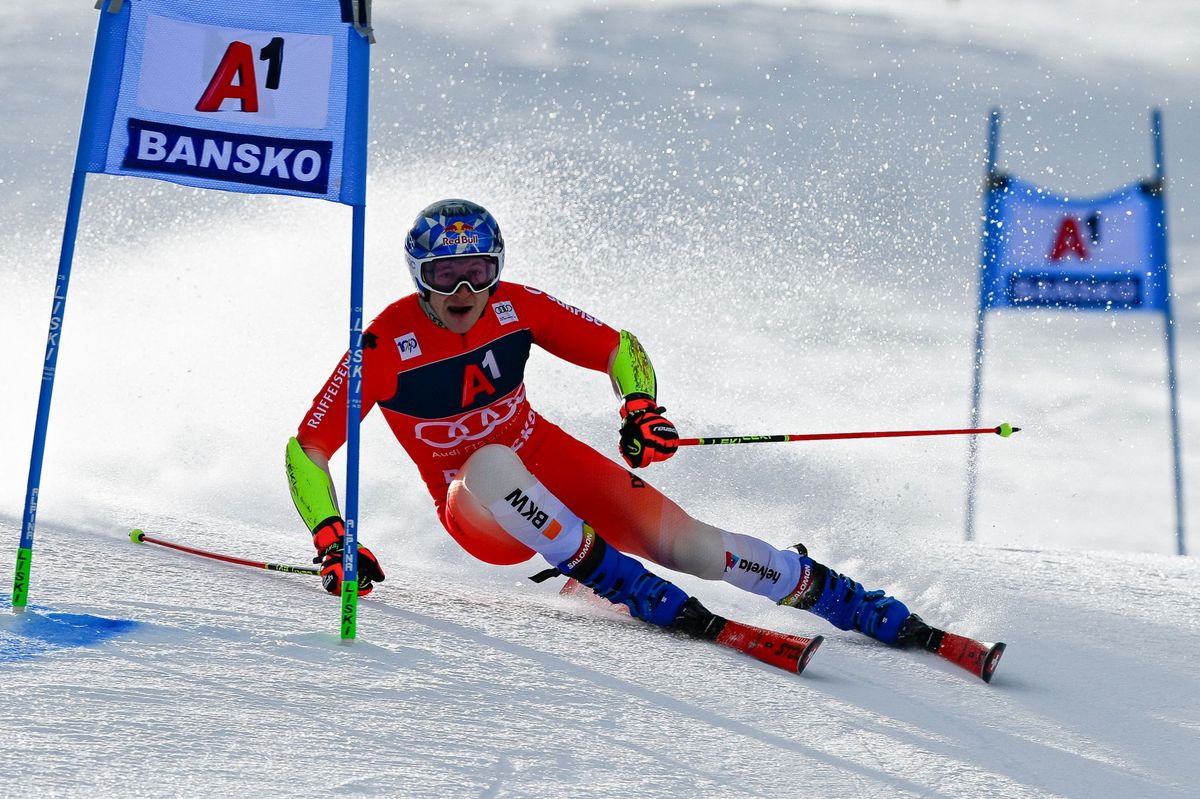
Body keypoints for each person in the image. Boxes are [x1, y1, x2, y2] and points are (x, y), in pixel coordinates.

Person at [285, 198, 936, 647]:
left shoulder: (520, 308)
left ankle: (831, 594)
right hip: (478, 508)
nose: (462, 292)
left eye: (477, 273)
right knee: (488, 461)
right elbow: (306, 450)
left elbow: (619, 346)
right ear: (421, 278)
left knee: (691, 543)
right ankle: (611, 575)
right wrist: (330, 536)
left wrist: (640, 407)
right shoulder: (383, 344)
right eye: (445, 275)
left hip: (551, 462)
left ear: (496, 270)